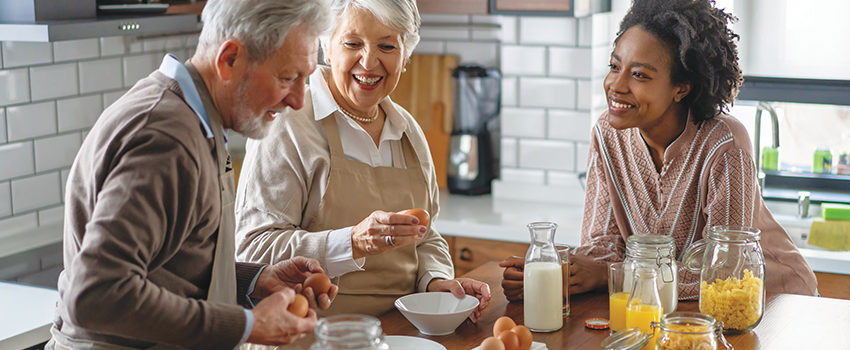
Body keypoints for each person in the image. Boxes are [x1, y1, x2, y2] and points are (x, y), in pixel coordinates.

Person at [47, 0, 339, 349]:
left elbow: (168, 269)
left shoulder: (192, 117)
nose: (297, 101)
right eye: (287, 78)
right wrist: (245, 325)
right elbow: (95, 293)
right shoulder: (166, 139)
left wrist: (254, 280)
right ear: (229, 59)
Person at [500, 0, 817, 302]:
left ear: (682, 87)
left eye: (639, 75)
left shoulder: (725, 144)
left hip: (773, 303)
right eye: (615, 66)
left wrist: (612, 277)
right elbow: (604, 247)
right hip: (674, 308)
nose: (616, 85)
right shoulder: (607, 133)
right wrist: (553, 272)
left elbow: (725, 270)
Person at [235, 0, 490, 320]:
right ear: (326, 46)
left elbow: (426, 237)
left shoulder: (408, 131)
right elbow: (252, 251)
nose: (369, 62)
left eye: (387, 46)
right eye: (352, 43)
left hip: (401, 333)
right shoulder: (286, 124)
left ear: (405, 56)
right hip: (309, 333)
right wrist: (352, 243)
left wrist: (435, 280)